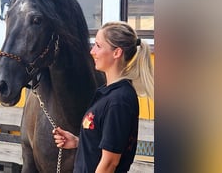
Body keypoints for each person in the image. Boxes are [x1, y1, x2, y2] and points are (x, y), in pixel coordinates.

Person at [53, 21, 154, 173]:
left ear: (117, 53)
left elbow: (109, 164)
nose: (92, 51)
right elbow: (106, 144)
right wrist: (79, 143)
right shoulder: (107, 93)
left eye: (98, 46)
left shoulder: (119, 101)